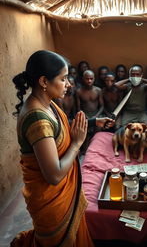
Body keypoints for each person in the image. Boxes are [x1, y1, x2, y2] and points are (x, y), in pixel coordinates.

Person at [11, 50, 114, 247]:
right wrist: (77, 143)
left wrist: (93, 123)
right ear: (43, 81)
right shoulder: (37, 119)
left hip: (59, 198)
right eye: (63, 78)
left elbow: (61, 129)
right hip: (52, 203)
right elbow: (54, 175)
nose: (68, 84)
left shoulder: (47, 105)